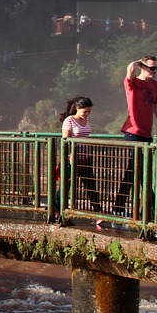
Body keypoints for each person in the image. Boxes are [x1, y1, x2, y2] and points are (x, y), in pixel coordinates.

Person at [112, 56, 157, 216]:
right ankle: (151, 209)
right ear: (142, 67)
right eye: (151, 68)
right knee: (141, 171)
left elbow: (156, 108)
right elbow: (129, 69)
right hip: (133, 132)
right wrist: (137, 62)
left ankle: (122, 208)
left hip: (146, 133)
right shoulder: (133, 83)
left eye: (156, 68)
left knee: (134, 171)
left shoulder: (155, 85)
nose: (154, 71)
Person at [60, 96, 105, 228]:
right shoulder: (69, 120)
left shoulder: (86, 120)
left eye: (89, 112)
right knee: (66, 186)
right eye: (85, 111)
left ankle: (98, 213)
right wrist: (71, 154)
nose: (87, 114)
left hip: (85, 158)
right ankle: (58, 211)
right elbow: (65, 140)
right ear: (77, 108)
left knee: (91, 185)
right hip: (72, 159)